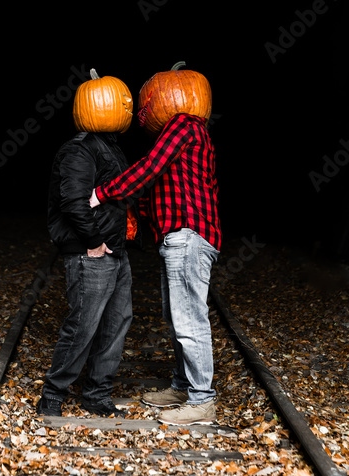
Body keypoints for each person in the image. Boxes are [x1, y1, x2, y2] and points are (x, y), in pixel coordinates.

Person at [89, 66, 221, 425]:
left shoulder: (182, 124)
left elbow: (148, 169)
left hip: (188, 235)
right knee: (176, 316)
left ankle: (201, 399)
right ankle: (182, 386)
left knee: (189, 319)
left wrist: (102, 193)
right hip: (179, 236)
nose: (146, 106)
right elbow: (156, 188)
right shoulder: (196, 134)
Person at [37, 70, 135, 418]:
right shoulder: (79, 149)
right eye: (119, 100)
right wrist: (94, 242)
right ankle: (53, 396)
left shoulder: (109, 146)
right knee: (83, 325)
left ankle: (97, 394)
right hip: (90, 253)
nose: (127, 105)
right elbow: (74, 203)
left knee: (116, 322)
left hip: (114, 251)